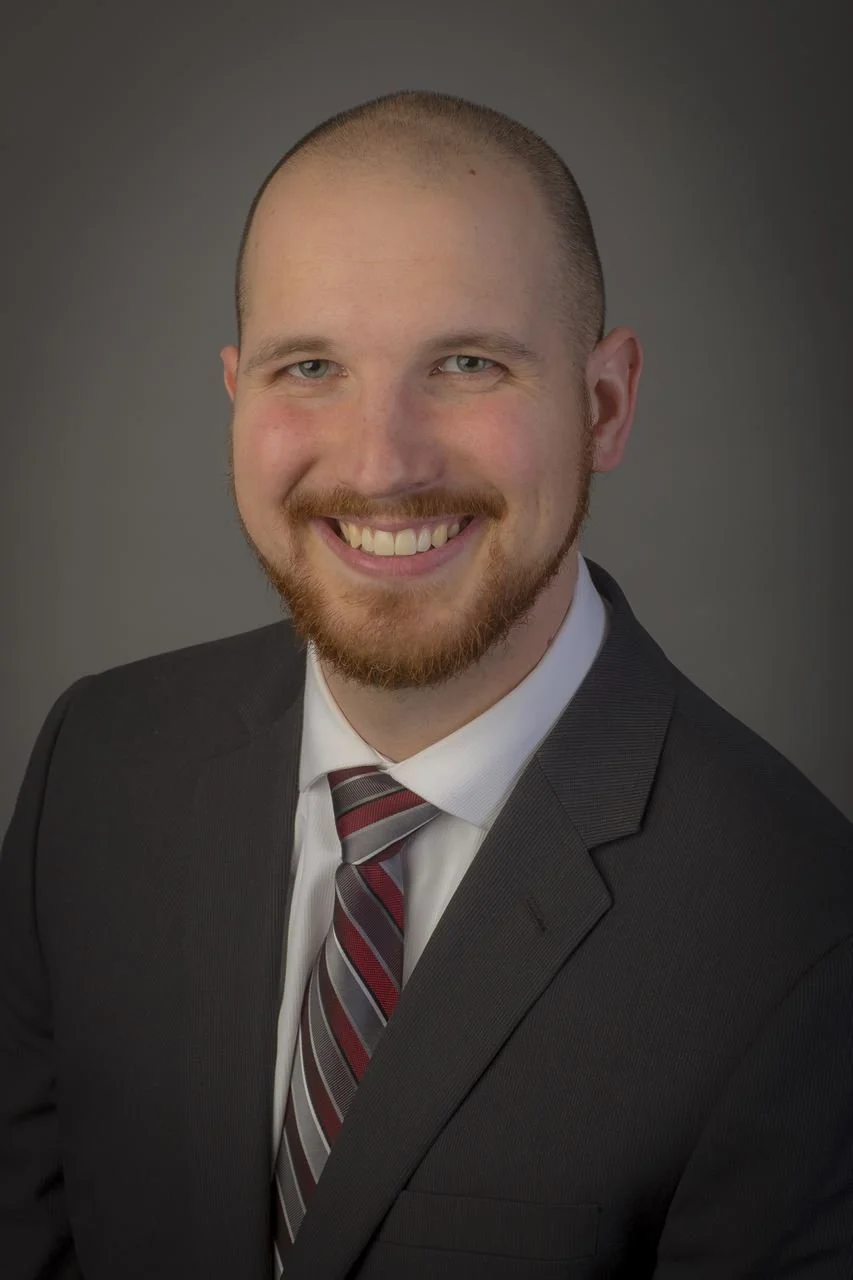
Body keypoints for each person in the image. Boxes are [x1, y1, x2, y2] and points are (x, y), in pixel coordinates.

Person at [1, 88, 852, 1280]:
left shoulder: (804, 937)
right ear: (238, 392)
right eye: (311, 365)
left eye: (464, 362)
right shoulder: (95, 764)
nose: (380, 461)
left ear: (602, 403)